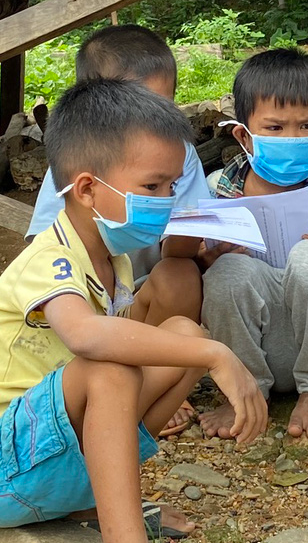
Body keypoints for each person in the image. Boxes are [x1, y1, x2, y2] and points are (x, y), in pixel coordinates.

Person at [0, 78, 267, 543]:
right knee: (111, 364)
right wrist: (221, 357)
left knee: (181, 336)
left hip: (46, 464)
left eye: (171, 185)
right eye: (152, 187)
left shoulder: (111, 259)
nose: (168, 200)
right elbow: (88, 338)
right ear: (88, 189)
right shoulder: (49, 255)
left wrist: (199, 346)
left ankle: (98, 508)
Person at [197, 49, 308, 442]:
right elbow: (205, 275)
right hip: (263, 342)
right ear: (244, 134)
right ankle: (246, 388)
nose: (292, 138)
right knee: (227, 272)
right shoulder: (217, 193)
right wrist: (207, 261)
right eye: (274, 128)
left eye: (307, 126)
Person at [25, 25, 206, 332]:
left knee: (181, 279)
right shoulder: (79, 158)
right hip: (79, 306)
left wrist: (199, 241)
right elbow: (40, 248)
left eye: (163, 106)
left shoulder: (180, 155)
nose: (153, 119)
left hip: (141, 300)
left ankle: (149, 370)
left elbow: (181, 246)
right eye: (139, 106)